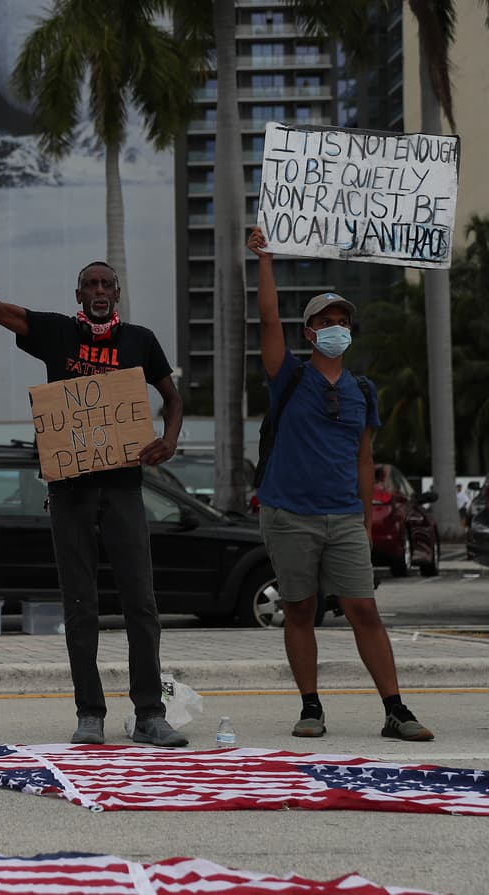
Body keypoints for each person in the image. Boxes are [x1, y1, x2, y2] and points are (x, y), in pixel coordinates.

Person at [0, 212, 188, 748]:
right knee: (80, 604)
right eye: (92, 284)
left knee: (141, 602)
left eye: (109, 283)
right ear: (78, 293)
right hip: (68, 490)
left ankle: (150, 713)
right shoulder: (56, 333)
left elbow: (173, 399)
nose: (101, 290)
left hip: (124, 488)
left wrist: (170, 438)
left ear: (118, 293)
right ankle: (90, 714)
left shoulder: (140, 340)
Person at [248, 224, 433, 742]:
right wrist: (265, 259)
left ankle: (396, 709)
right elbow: (266, 318)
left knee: (363, 610)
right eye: (324, 322)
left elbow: (364, 457)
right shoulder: (290, 376)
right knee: (301, 608)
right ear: (309, 333)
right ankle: (311, 707)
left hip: (344, 516)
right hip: (288, 512)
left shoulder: (362, 391)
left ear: (351, 331)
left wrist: (362, 511)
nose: (334, 328)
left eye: (341, 321)